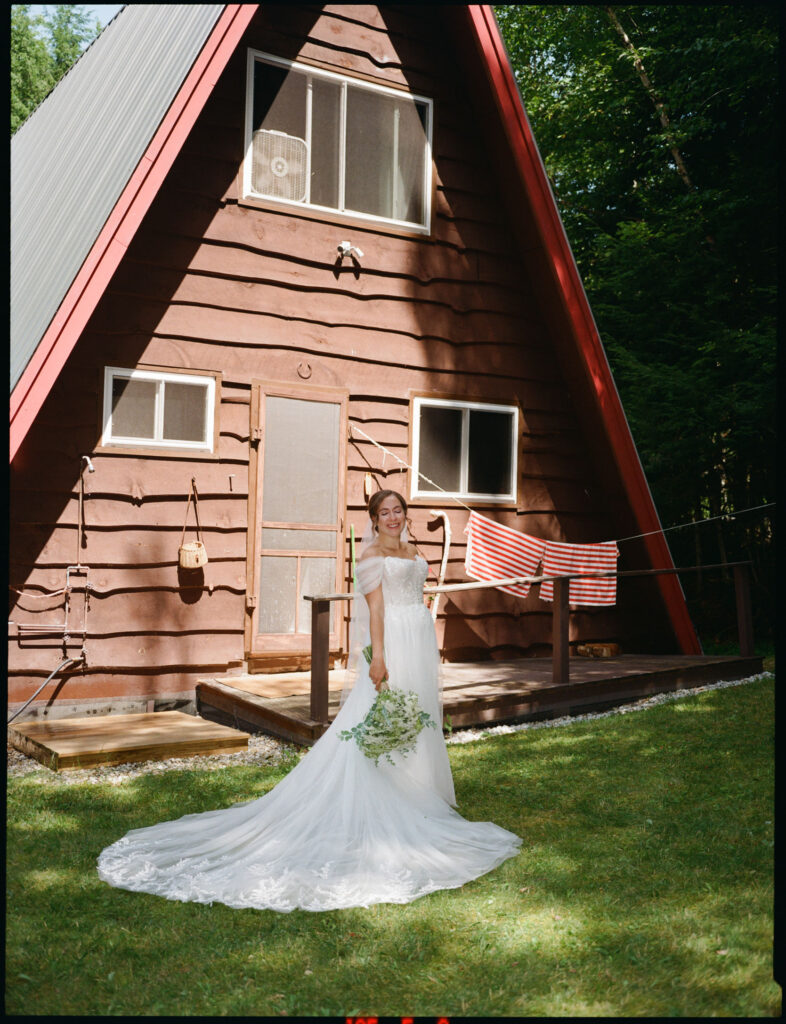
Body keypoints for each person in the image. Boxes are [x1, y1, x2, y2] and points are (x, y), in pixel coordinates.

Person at [97, 490, 521, 912]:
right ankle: (386, 795)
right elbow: (375, 611)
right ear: (373, 519)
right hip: (392, 641)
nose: (393, 517)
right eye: (385, 512)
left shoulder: (412, 548)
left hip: (417, 637)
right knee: (379, 718)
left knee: (415, 718)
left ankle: (418, 790)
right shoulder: (372, 556)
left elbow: (415, 591)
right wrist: (379, 659)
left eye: (398, 510)